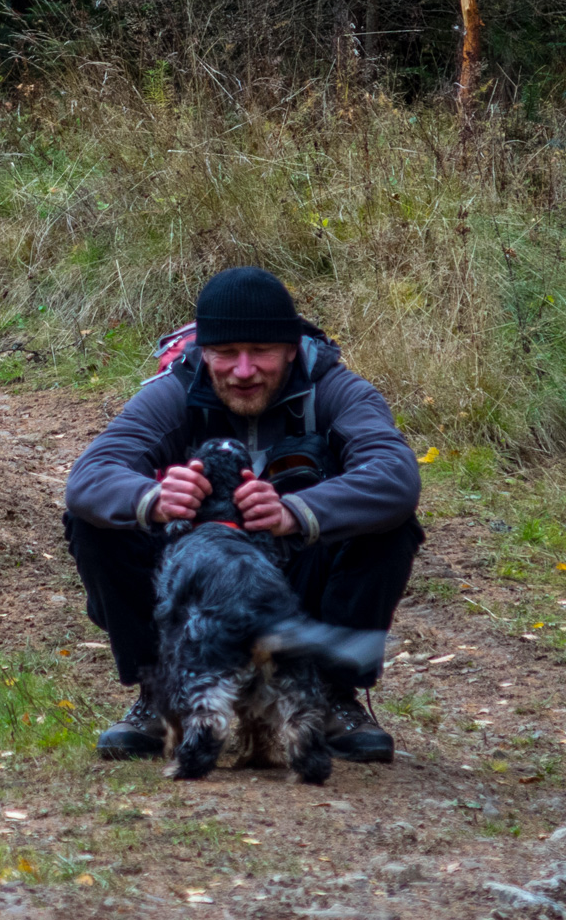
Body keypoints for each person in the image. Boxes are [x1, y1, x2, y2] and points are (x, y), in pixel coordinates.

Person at [62, 266, 424, 763]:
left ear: (292, 348)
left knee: (391, 526)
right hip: (197, 590)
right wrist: (155, 499)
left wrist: (298, 510)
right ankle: (161, 692)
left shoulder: (338, 391)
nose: (244, 370)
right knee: (95, 523)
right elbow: (89, 477)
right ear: (204, 351)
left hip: (298, 579)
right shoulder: (174, 391)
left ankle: (330, 695)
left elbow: (396, 478)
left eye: (262, 352)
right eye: (227, 353)